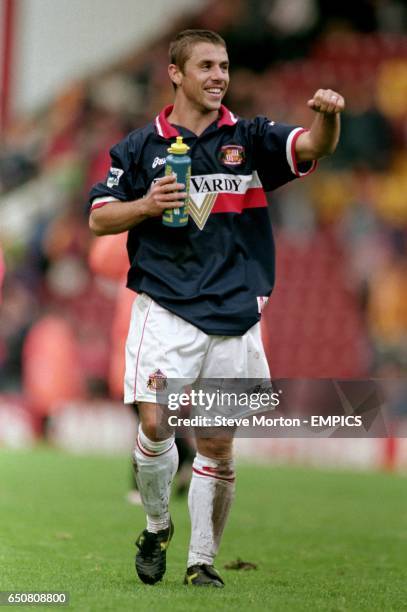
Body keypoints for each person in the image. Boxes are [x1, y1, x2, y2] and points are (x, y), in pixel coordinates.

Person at [88, 29, 345, 588]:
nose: (218, 75)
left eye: (224, 65)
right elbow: (99, 217)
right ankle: (157, 525)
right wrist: (146, 204)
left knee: (218, 444)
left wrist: (327, 115)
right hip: (166, 307)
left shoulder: (249, 139)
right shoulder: (138, 148)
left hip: (234, 316)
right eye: (206, 65)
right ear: (176, 73)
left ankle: (201, 561)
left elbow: (315, 147)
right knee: (155, 424)